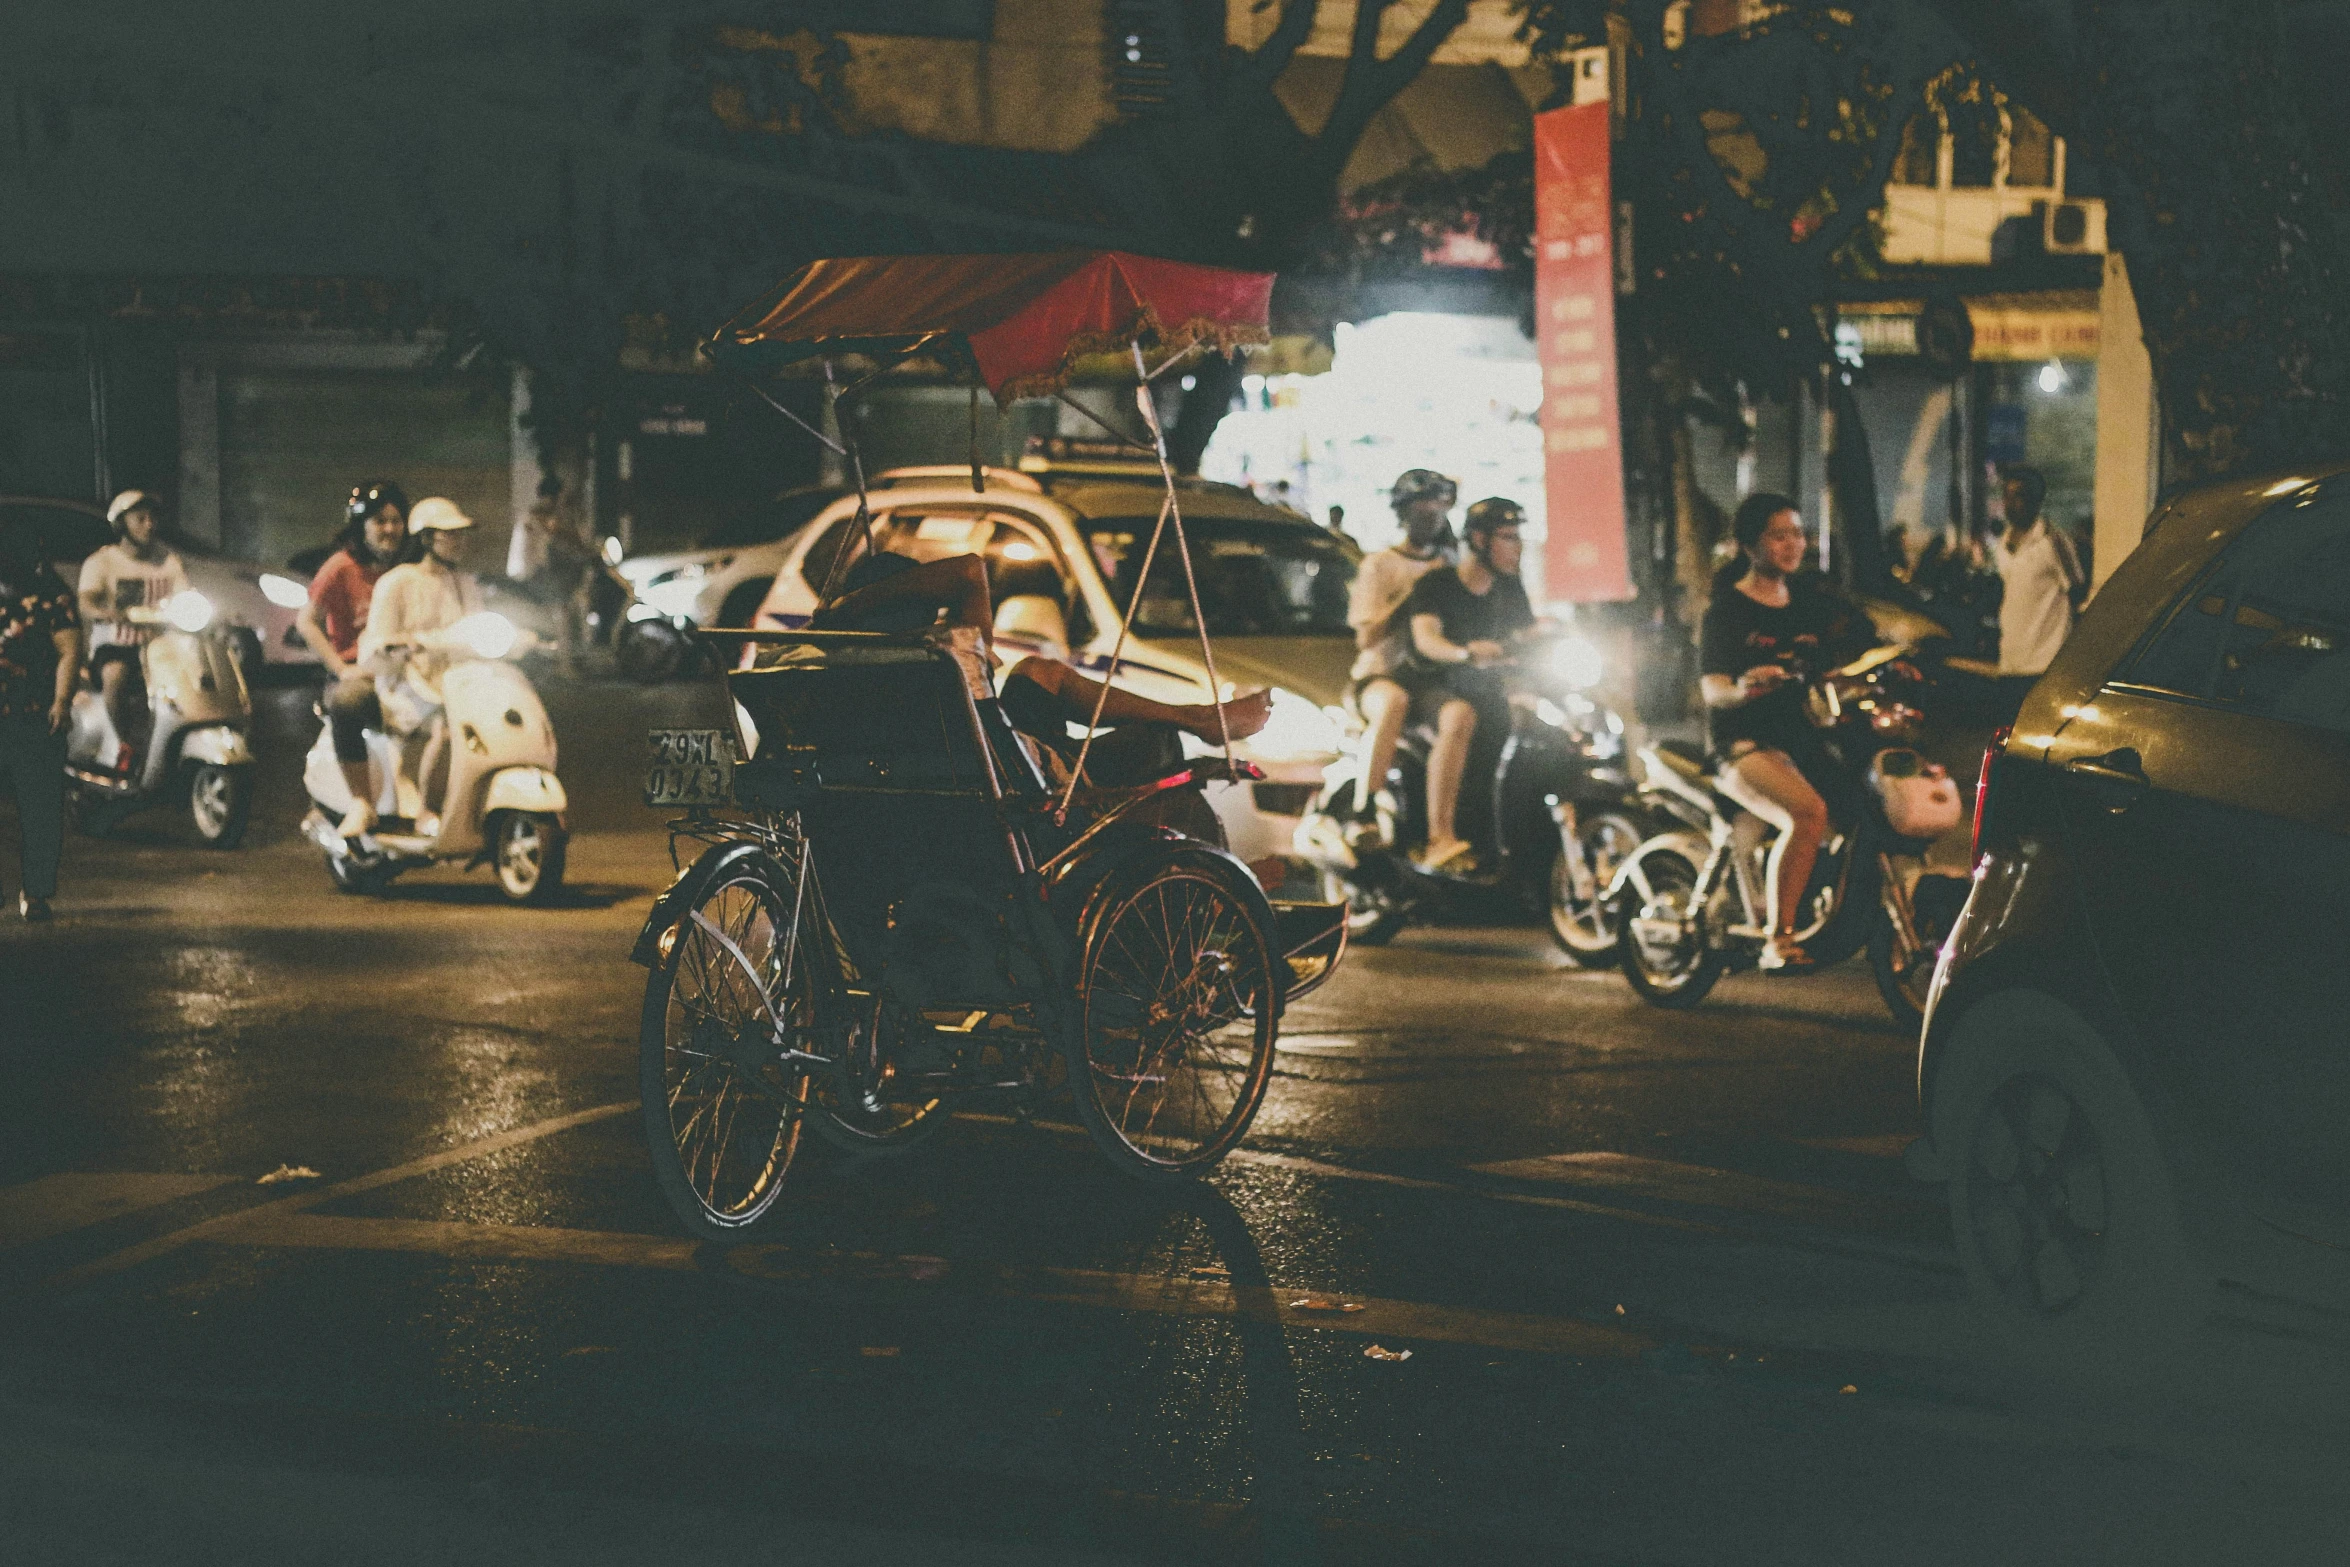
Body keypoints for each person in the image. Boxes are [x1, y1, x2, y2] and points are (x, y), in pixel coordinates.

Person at [806, 549, 1271, 781]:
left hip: (986, 756)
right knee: (1158, 741)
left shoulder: (841, 674)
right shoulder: (945, 663)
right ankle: (1197, 719)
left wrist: (843, 615)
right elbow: (970, 570)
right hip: (1021, 777)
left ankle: (1201, 718)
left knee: (1036, 672)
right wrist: (850, 605)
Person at [1698, 493, 1875, 971]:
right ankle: (1779, 938)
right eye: (1778, 535)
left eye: (1797, 533)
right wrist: (1745, 686)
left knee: (1862, 808)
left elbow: (1852, 643)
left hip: (1797, 734)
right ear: (1750, 544)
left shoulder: (1810, 603)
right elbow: (1713, 690)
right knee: (1807, 812)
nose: (1792, 544)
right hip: (1742, 741)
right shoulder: (1727, 610)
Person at [1403, 497, 1540, 873]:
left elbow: (1529, 632)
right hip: (1436, 686)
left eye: (1518, 536)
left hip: (1489, 689)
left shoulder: (1510, 589)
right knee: (1460, 717)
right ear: (1479, 540)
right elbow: (1426, 639)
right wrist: (1465, 653)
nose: (1518, 546)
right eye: (1508, 537)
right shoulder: (1437, 584)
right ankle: (1439, 837)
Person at [352, 497, 484, 836]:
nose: (459, 541)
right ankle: (428, 808)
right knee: (445, 728)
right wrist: (400, 645)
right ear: (425, 538)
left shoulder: (464, 583)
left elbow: (480, 628)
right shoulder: (397, 583)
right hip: (406, 685)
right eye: (449, 534)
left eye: (461, 534)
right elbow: (375, 647)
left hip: (458, 683)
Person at [1343, 469, 1456, 830]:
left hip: (1427, 677)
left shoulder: (1449, 564)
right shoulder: (1380, 565)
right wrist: (1411, 598)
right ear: (1403, 514)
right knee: (1393, 703)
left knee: (1462, 715)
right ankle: (1365, 809)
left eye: (1436, 511)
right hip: (1380, 676)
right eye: (1421, 511)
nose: (1429, 519)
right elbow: (1367, 638)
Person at [299, 481, 411, 832]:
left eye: (396, 520)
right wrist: (341, 668)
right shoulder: (340, 568)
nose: (390, 529)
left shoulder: (410, 569)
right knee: (347, 703)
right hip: (361, 674)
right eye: (380, 521)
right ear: (360, 526)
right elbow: (306, 622)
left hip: (408, 674)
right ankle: (363, 802)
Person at [0, 532, 82, 920]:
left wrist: (61, 702)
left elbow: (69, 651)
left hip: (34, 716)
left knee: (40, 810)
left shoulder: (52, 595)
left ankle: (35, 894)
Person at [77, 490, 190, 765]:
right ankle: (122, 743)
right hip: (116, 644)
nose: (149, 524)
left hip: (162, 646)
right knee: (115, 677)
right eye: (140, 518)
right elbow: (85, 602)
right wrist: (108, 613)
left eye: (152, 518)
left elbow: (186, 596)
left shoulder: (169, 560)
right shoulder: (102, 562)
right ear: (121, 524)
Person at [1989, 464, 2084, 699]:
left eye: (2018, 496)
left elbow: (2077, 591)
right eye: (2007, 497)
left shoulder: (2053, 542)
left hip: (2044, 664)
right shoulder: (2003, 544)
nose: (2011, 505)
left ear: (2036, 500)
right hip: (2011, 662)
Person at [508, 474, 593, 675]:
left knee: (574, 601)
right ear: (555, 495)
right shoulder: (540, 516)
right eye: (562, 494)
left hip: (542, 573)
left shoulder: (548, 515)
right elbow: (561, 539)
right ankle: (565, 665)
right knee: (562, 612)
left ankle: (572, 657)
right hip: (532, 575)